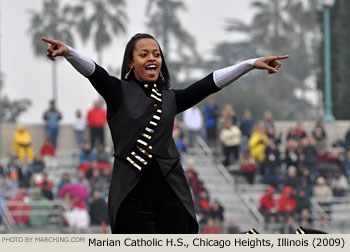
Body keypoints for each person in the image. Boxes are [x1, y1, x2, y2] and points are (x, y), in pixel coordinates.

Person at [42, 34, 287, 234]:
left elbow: (209, 83)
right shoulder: (118, 91)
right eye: (144, 54)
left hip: (170, 187)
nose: (152, 58)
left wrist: (249, 64)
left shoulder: (170, 97)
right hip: (131, 190)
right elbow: (95, 72)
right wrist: (70, 52)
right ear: (131, 62)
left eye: (156, 54)